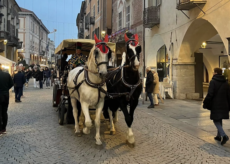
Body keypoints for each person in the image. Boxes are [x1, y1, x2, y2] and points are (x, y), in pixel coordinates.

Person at [203, 68, 230, 146]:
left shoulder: (213, 82)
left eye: (213, 71)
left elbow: (210, 94)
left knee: (216, 120)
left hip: (216, 104)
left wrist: (206, 102)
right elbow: (229, 95)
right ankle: (218, 136)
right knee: (219, 118)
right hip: (224, 104)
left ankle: (223, 135)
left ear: (215, 73)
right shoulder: (226, 82)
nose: (212, 73)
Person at [0, 63, 14, 135]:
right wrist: (6, 89)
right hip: (5, 95)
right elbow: (11, 83)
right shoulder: (6, 74)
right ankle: (3, 128)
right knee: (4, 112)